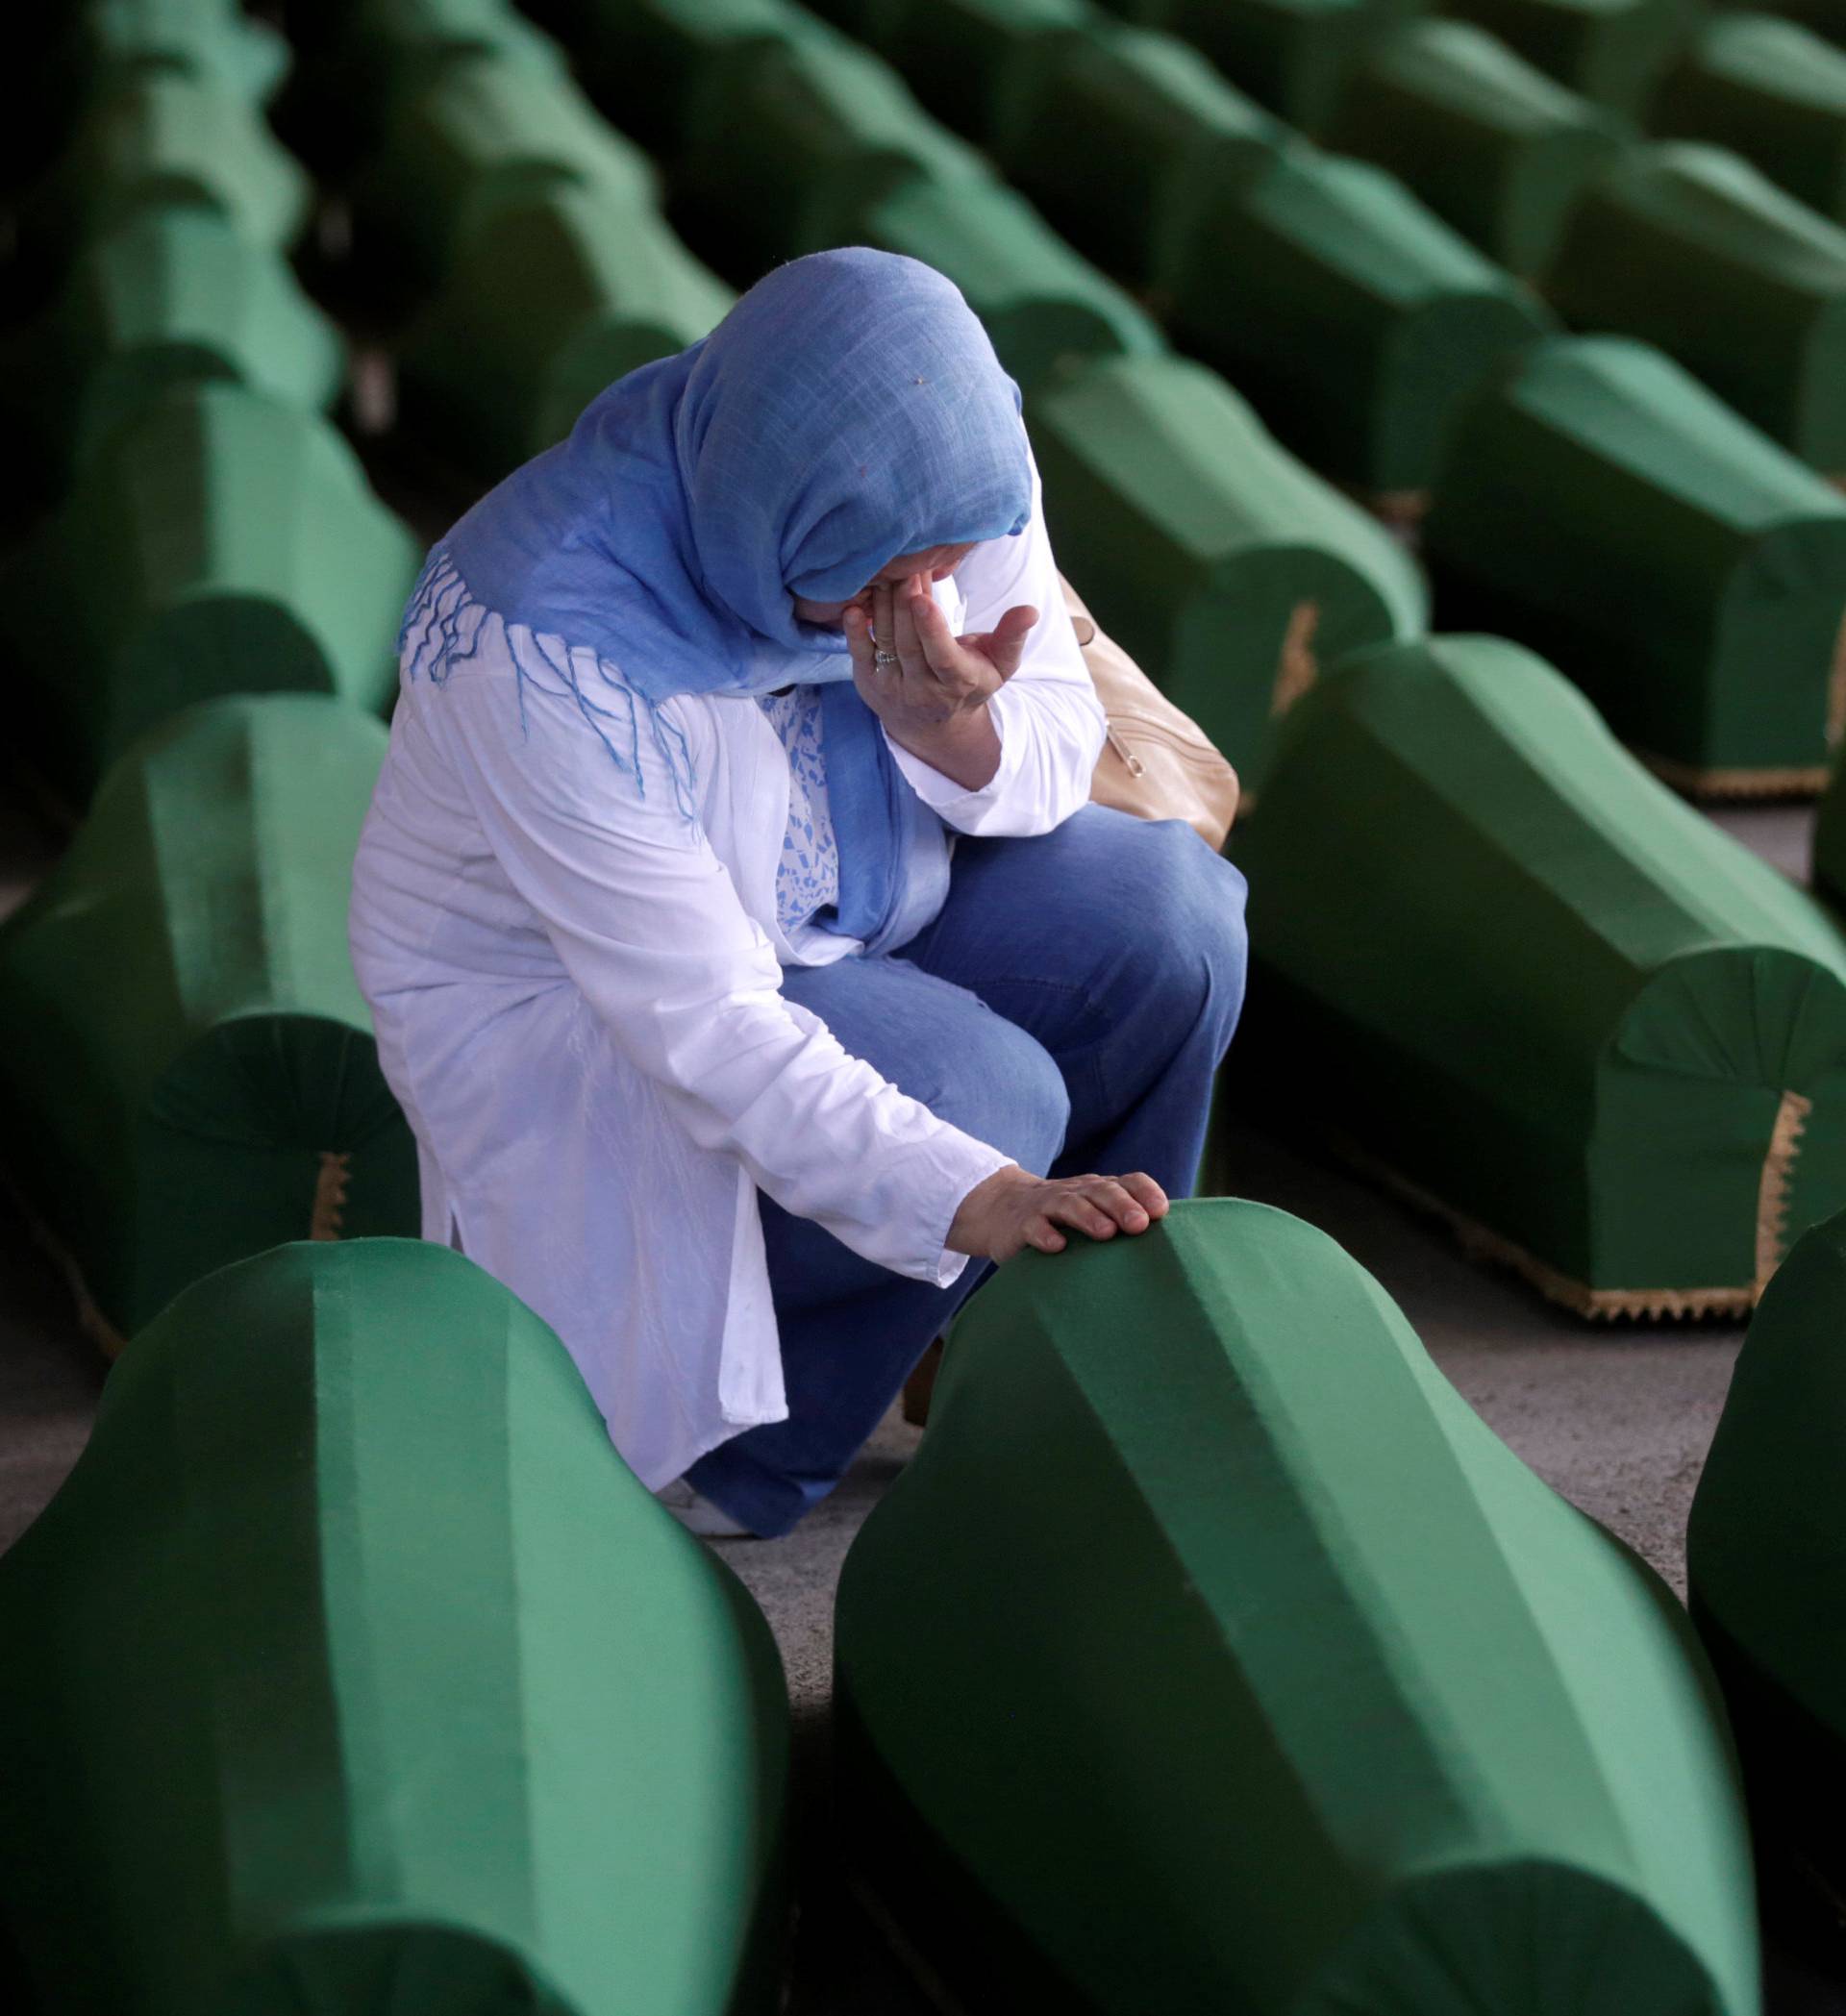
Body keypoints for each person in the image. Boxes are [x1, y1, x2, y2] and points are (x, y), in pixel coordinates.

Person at [348, 249, 1247, 1539]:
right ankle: (754, 1458)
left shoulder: (948, 459)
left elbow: (1052, 747)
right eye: (878, 587)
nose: (923, 610)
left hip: (849, 909)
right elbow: (704, 1022)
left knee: (1175, 920)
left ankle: (1030, 1363)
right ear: (775, 524)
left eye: (947, 567)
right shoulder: (552, 636)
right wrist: (983, 1192)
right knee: (989, 1099)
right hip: (606, 1022)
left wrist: (951, 733)